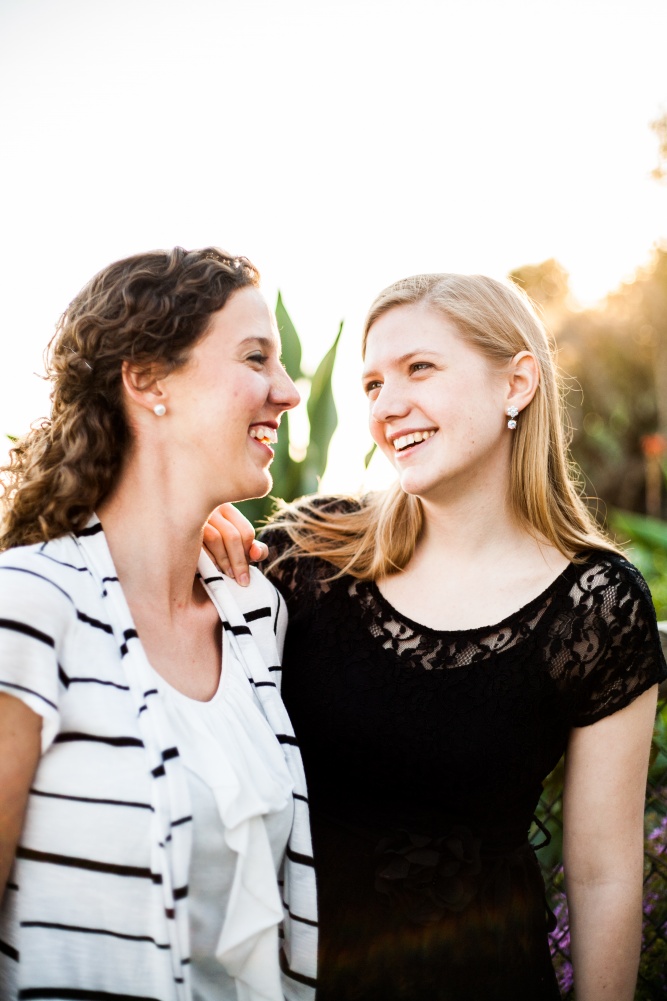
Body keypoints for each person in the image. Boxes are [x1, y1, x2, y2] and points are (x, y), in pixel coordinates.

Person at [206, 271, 667, 1001]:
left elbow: (603, 871)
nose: (388, 407)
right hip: (294, 978)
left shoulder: (597, 603)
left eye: (419, 368)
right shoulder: (311, 553)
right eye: (371, 384)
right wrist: (194, 534)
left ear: (516, 383)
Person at [0, 247, 318, 1001]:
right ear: (145, 378)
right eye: (254, 357)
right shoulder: (30, 607)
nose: (288, 390)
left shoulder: (252, 613)